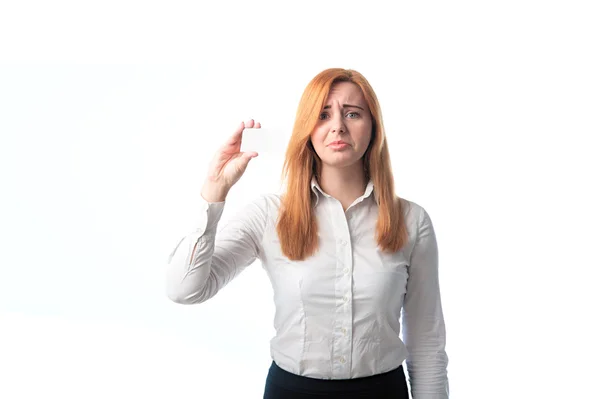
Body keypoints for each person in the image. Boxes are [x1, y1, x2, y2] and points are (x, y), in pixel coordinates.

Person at [166, 68, 449, 398]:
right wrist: (214, 191)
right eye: (323, 114)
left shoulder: (411, 220)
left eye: (353, 113)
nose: (338, 126)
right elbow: (184, 290)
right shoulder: (269, 214)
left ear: (373, 128)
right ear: (307, 129)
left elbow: (426, 342)